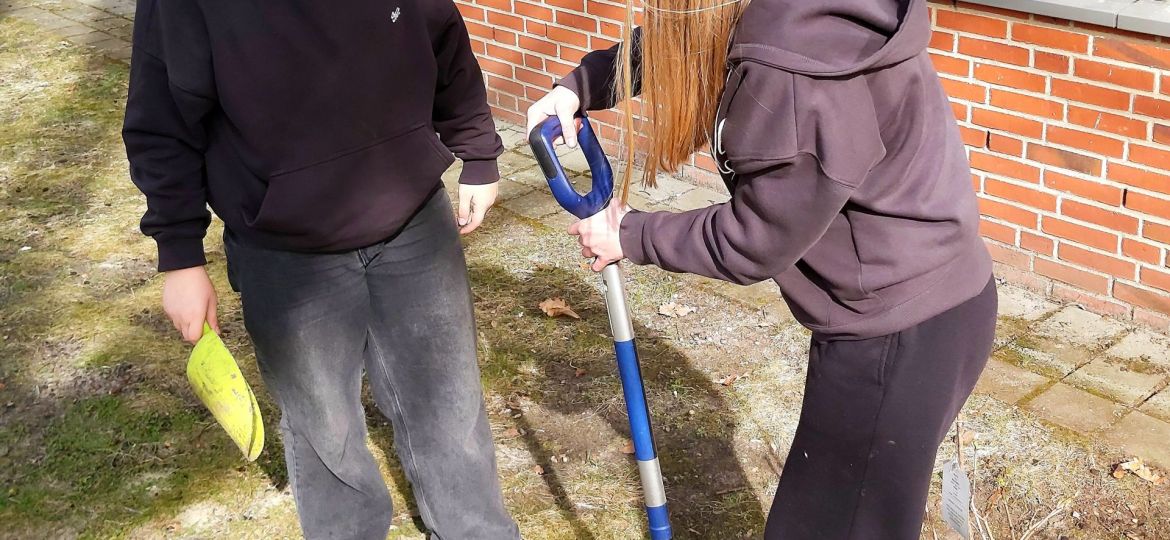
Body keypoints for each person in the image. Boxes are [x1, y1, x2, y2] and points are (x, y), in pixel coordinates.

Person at [528, 0, 997, 537]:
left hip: (898, 336)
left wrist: (629, 234)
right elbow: (689, 34)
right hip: (931, 301)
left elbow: (758, 237)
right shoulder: (793, 14)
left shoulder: (793, 69)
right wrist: (581, 86)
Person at [122, 1, 520, 538]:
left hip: (414, 220)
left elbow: (443, 37)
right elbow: (161, 119)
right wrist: (180, 256)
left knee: (452, 408)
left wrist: (477, 151)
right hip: (285, 251)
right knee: (324, 434)